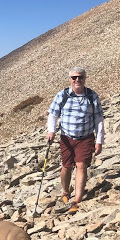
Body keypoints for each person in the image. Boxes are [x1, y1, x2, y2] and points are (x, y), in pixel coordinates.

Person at [46, 67, 104, 213]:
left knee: (81, 165)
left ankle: (77, 199)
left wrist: (99, 140)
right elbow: (53, 114)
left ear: (85, 78)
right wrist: (51, 131)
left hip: (86, 137)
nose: (77, 80)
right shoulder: (62, 95)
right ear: (70, 79)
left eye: (80, 77)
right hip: (66, 137)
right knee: (67, 166)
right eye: (74, 77)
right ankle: (65, 191)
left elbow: (98, 118)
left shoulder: (92, 96)